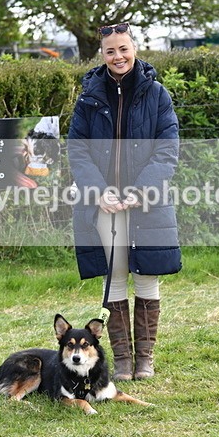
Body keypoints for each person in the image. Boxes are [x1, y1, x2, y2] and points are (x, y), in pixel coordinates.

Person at [67, 22, 181, 381]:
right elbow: (77, 151)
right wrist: (101, 191)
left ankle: (145, 359)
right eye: (110, 51)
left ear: (135, 49)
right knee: (114, 276)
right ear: (102, 55)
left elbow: (168, 149)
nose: (118, 56)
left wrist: (140, 190)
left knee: (147, 275)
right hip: (104, 204)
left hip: (146, 201)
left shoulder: (157, 93)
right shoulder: (87, 98)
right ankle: (122, 363)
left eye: (123, 49)